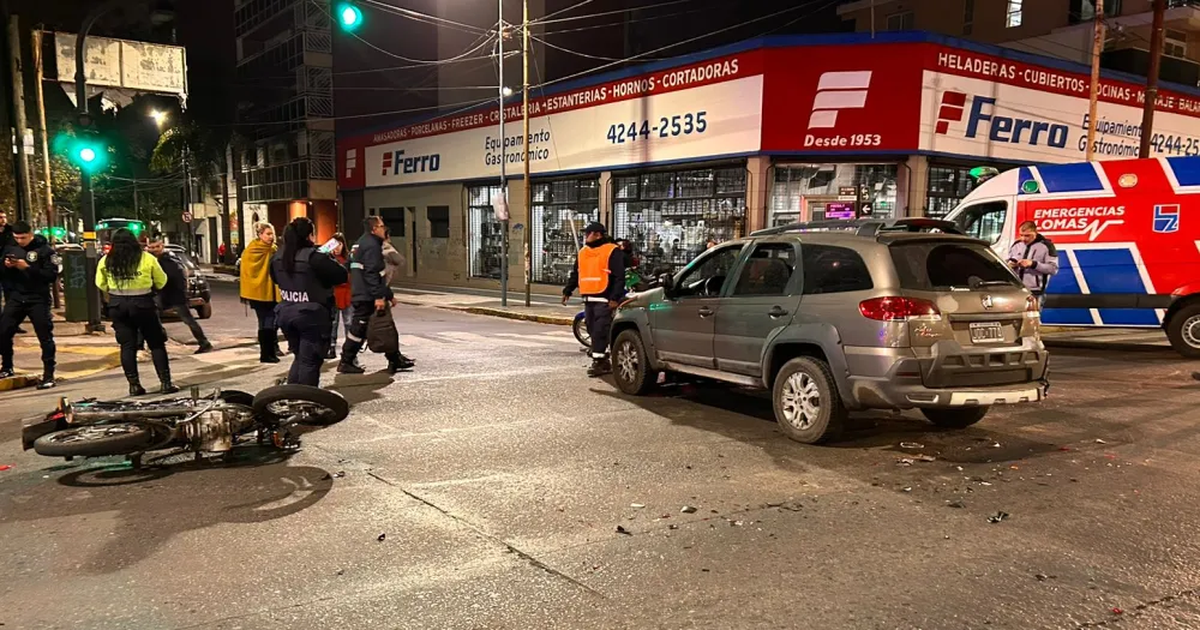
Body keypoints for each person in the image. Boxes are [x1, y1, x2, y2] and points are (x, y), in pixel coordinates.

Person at [95, 228, 177, 396]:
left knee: (127, 346)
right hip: (143, 304)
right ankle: (165, 383)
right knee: (156, 343)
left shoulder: (106, 261)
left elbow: (100, 283)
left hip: (118, 305)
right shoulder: (147, 258)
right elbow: (161, 281)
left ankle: (134, 386)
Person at [270, 217, 348, 387]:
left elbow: (276, 279)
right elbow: (341, 275)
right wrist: (326, 256)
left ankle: (292, 396)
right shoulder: (314, 257)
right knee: (310, 362)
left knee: (301, 358)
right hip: (311, 316)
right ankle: (304, 401)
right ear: (310, 235)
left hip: (286, 313)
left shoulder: (278, 257)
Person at [338, 216, 414, 374]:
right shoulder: (372, 245)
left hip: (364, 292)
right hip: (367, 295)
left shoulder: (360, 243)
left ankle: (395, 358)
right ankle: (346, 360)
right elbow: (373, 273)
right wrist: (379, 296)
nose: (383, 229)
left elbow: (368, 272)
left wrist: (388, 294)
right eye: (381, 226)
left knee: (384, 326)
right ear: (374, 229)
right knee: (361, 329)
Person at [561, 222, 625, 377]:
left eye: (587, 233)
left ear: (598, 235)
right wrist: (568, 290)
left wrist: (614, 298)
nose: (585, 236)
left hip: (605, 298)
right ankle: (603, 359)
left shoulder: (612, 251)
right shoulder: (583, 252)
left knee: (600, 331)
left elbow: (619, 277)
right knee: (590, 329)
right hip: (589, 298)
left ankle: (599, 363)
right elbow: (576, 273)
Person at [0, 221, 59, 388]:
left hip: (38, 298)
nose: (20, 241)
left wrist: (27, 268)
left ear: (30, 234)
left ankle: (49, 374)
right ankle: (6, 366)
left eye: (23, 237)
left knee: (44, 336)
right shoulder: (10, 249)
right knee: (3, 331)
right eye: (16, 237)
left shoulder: (45, 251)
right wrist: (7, 266)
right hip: (16, 297)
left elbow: (51, 276)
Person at [146, 233, 213, 354]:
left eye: (156, 247)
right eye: (151, 247)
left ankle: (204, 342)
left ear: (162, 246)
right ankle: (159, 337)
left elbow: (174, 277)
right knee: (150, 316)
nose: (154, 250)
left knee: (188, 319)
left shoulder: (169, 259)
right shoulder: (159, 259)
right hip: (165, 294)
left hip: (174, 295)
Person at [240, 222, 282, 364]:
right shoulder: (252, 250)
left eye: (272, 234)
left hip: (271, 291)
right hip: (258, 293)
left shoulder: (273, 249)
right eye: (268, 234)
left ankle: (269, 352)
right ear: (260, 235)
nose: (271, 237)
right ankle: (266, 353)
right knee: (265, 321)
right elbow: (248, 271)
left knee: (268, 322)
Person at [1007, 221, 1059, 309]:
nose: (1023, 239)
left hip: (1035, 292)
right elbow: (1009, 261)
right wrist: (1010, 265)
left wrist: (1033, 264)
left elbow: (1053, 269)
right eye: (1021, 235)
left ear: (1035, 232)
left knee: (1032, 320)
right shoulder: (1016, 245)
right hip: (1016, 290)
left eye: (1027, 235)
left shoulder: (1046, 246)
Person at [327, 233, 353, 360]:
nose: (337, 248)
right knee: (333, 322)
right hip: (333, 294)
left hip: (347, 293)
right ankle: (331, 347)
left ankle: (350, 349)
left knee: (349, 322)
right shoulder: (327, 259)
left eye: (339, 244)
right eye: (334, 244)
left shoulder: (349, 259)